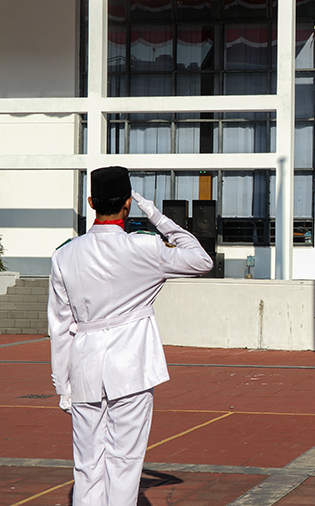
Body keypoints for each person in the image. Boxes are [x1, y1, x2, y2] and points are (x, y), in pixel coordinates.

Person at [48, 166, 213, 506]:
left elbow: (59, 327)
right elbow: (201, 259)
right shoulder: (146, 248)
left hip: (84, 366)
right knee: (124, 464)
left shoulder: (64, 255)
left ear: (91, 202)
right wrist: (156, 216)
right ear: (127, 205)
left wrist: (62, 384)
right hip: (131, 367)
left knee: (87, 465)